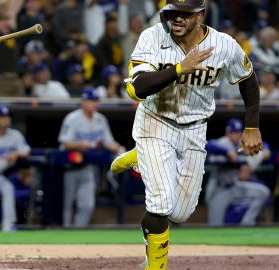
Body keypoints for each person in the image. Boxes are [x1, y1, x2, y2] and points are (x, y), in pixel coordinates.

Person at [109, 1, 264, 269]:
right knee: (160, 204)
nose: (177, 18)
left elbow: (248, 80)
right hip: (155, 123)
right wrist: (180, 68)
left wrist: (252, 127)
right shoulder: (153, 36)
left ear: (201, 15)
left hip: (195, 128)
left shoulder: (223, 44)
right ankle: (156, 266)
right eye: (173, 12)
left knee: (180, 213)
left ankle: (139, 159)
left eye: (185, 13)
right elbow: (137, 89)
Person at [58, 87, 123, 227]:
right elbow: (64, 142)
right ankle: (64, 234)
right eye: (91, 101)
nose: (94, 104)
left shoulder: (101, 119)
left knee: (87, 205)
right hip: (69, 166)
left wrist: (118, 148)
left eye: (96, 100)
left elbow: (108, 141)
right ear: (83, 102)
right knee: (67, 204)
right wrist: (79, 144)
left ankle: (78, 234)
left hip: (87, 167)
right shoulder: (72, 118)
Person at [204, 119, 271, 226]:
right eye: (235, 132)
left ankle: (247, 224)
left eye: (239, 132)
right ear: (228, 133)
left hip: (235, 186)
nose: (238, 135)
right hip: (219, 189)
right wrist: (226, 152)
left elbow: (262, 143)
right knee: (215, 225)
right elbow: (206, 144)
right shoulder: (223, 143)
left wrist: (266, 149)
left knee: (262, 192)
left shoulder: (240, 143)